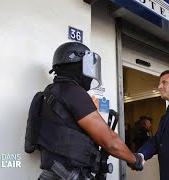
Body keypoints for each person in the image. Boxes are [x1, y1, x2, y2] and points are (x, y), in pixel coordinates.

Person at [36, 42, 143, 180]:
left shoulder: (53, 91)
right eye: (87, 66)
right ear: (75, 63)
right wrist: (134, 160)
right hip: (67, 175)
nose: (91, 73)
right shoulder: (73, 92)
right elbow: (110, 141)